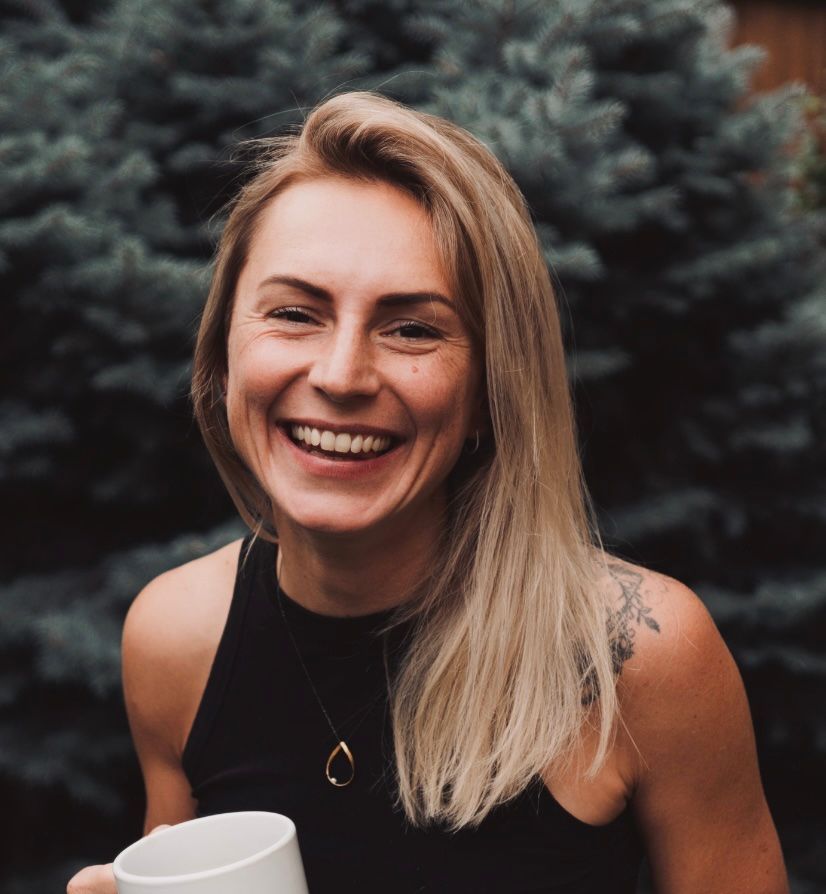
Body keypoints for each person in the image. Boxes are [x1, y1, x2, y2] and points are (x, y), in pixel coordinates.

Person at [67, 91, 788, 894]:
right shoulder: (175, 642)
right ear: (224, 356)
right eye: (296, 313)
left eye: (412, 328)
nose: (341, 376)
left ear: (490, 391)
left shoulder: (639, 661)